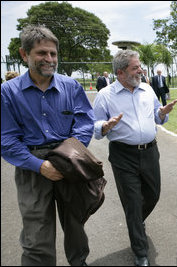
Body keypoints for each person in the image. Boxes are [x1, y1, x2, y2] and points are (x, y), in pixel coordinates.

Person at [1, 25, 95, 266]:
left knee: (76, 224)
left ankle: (79, 262)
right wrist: (40, 165)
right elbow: (7, 139)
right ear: (24, 55)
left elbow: (84, 122)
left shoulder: (70, 86)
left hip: (69, 160)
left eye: (53, 53)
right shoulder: (7, 93)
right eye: (42, 53)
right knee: (37, 235)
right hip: (32, 166)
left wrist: (69, 156)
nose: (49, 59)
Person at [93, 50, 177, 266]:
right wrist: (105, 126)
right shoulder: (105, 95)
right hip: (123, 155)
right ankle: (140, 252)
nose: (140, 70)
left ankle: (136, 223)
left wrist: (162, 113)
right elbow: (93, 127)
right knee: (132, 202)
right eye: (135, 67)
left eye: (139, 66)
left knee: (153, 194)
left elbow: (158, 118)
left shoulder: (147, 90)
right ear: (120, 72)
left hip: (150, 151)